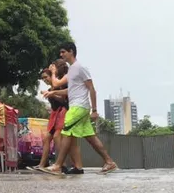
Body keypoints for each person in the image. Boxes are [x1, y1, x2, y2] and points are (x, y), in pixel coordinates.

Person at [42, 42, 118, 175]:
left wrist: (94, 110)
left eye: (63, 52)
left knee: (65, 133)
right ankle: (109, 162)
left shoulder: (80, 67)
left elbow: (92, 89)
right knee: (90, 137)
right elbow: (66, 89)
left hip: (78, 107)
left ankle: (58, 165)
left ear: (71, 51)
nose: (61, 55)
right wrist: (53, 93)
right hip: (78, 106)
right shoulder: (72, 70)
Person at [39, 60, 77, 173]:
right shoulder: (55, 86)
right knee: (48, 138)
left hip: (66, 111)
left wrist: (52, 94)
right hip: (57, 113)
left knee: (62, 138)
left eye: (46, 77)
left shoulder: (61, 82)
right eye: (43, 78)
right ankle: (44, 164)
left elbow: (64, 98)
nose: (45, 80)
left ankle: (62, 164)